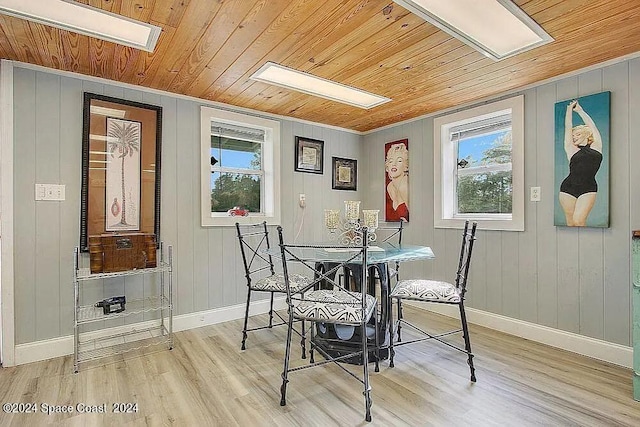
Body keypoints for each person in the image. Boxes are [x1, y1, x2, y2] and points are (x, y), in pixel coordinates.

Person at [559, 100, 603, 226]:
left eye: (577, 134)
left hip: (588, 188)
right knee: (570, 224)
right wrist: (568, 110)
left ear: (586, 134)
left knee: (579, 221)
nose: (574, 137)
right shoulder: (571, 149)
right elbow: (568, 127)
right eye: (573, 136)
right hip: (568, 188)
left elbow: (592, 126)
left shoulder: (596, 146)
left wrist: (579, 111)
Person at [385, 142, 409, 221]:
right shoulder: (390, 186)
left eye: (399, 161)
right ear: (387, 166)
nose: (394, 164)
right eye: (391, 161)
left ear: (406, 166)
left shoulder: (404, 185)